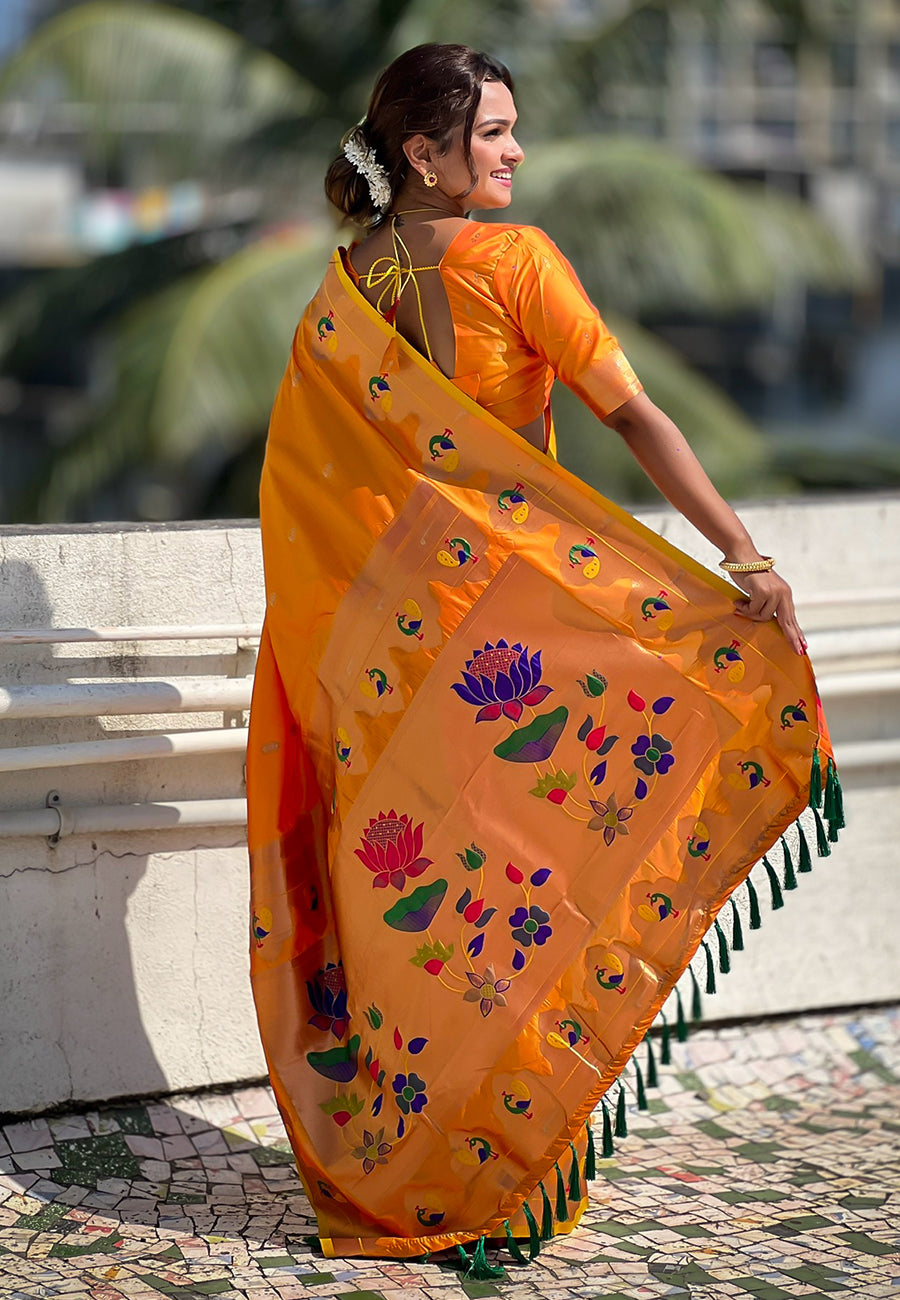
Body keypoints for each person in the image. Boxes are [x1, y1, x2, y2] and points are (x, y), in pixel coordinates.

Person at [247, 43, 841, 1273]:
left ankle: (413, 1173)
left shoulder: (344, 285)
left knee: (417, 903)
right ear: (427, 152)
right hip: (509, 640)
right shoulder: (516, 261)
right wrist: (739, 557)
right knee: (520, 881)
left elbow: (317, 494)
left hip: (382, 661)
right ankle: (496, 1169)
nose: (516, 152)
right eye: (497, 132)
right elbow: (632, 413)